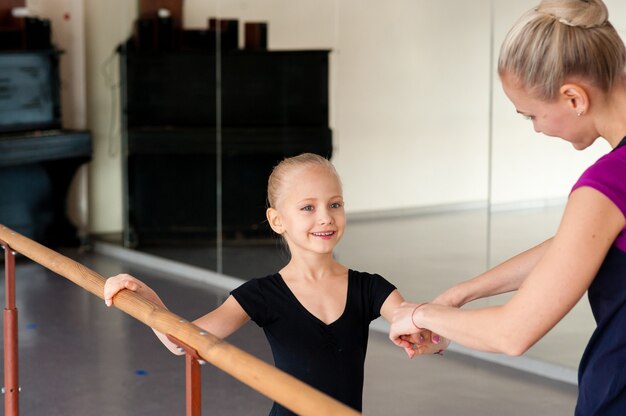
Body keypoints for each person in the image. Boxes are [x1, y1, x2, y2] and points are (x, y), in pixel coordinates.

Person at [389, 0, 626, 414]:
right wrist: (463, 293)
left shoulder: (607, 182)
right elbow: (581, 244)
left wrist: (421, 315)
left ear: (573, 97)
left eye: (531, 114)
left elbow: (511, 333)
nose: (536, 128)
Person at [104, 153, 444, 415]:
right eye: (308, 207)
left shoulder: (369, 288)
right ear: (277, 220)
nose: (325, 216)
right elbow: (185, 341)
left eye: (335, 204)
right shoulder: (262, 294)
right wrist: (147, 298)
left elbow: (407, 316)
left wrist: (430, 332)